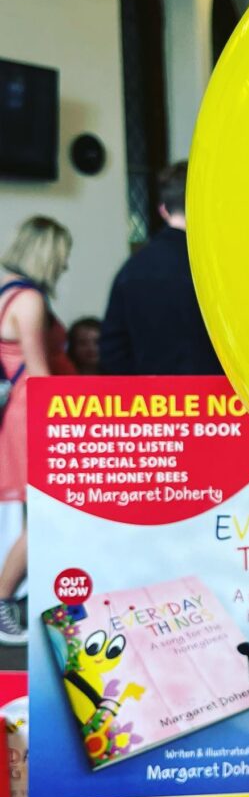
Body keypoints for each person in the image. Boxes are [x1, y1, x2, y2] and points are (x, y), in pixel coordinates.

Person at [0, 216, 74, 642]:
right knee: (45, 516)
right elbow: (39, 374)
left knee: (40, 515)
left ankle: (22, 600)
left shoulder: (7, 293)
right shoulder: (29, 300)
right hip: (33, 413)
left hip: (20, 413)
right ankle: (4, 600)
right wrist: (66, 421)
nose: (65, 264)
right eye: (62, 255)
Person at [100, 161, 222, 374]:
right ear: (205, 204)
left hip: (154, 392)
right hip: (219, 391)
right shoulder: (217, 267)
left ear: (163, 210)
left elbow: (113, 352)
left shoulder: (132, 269)